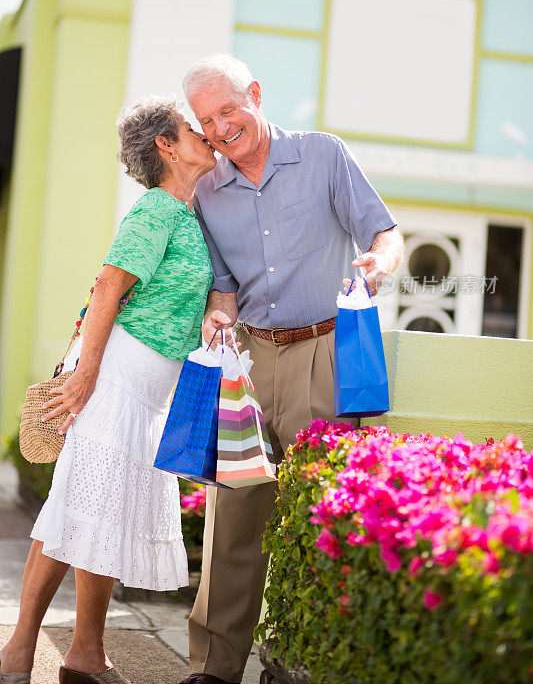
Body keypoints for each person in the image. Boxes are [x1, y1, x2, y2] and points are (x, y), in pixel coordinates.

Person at [179, 54, 404, 684]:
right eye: (207, 121)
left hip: (320, 355)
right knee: (233, 522)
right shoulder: (208, 192)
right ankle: (214, 669)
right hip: (248, 362)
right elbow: (224, 286)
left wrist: (379, 264)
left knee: (317, 515)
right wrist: (219, 315)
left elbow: (385, 232)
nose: (222, 129)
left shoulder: (322, 156)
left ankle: (297, 663)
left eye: (228, 109)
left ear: (253, 93)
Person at [0, 95, 216, 684]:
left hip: (151, 387)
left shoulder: (193, 213)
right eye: (192, 131)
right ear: (166, 147)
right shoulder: (157, 209)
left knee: (105, 511)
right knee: (76, 504)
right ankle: (20, 647)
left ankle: (86, 654)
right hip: (116, 372)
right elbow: (107, 286)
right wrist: (89, 371)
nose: (206, 136)